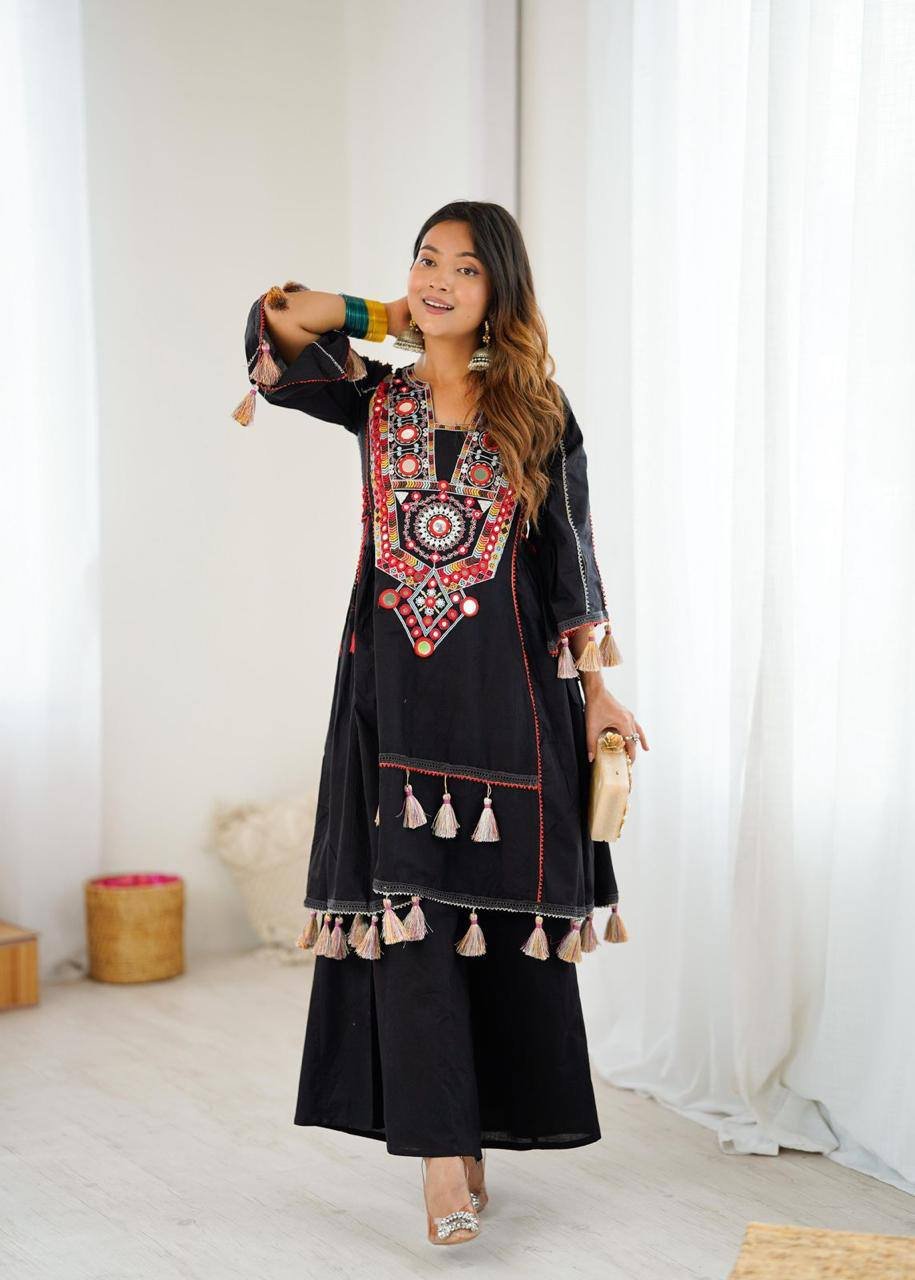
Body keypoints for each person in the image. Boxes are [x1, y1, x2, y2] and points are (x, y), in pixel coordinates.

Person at [233, 200, 648, 1246]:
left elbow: (573, 561)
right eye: (427, 260)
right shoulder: (377, 399)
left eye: (465, 268)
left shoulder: (538, 412)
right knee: (410, 921)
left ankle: (471, 1135)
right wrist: (391, 313)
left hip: (511, 702)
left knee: (493, 928)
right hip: (395, 704)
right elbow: (281, 318)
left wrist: (598, 688)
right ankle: (439, 1165)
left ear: (500, 289)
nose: (440, 278)